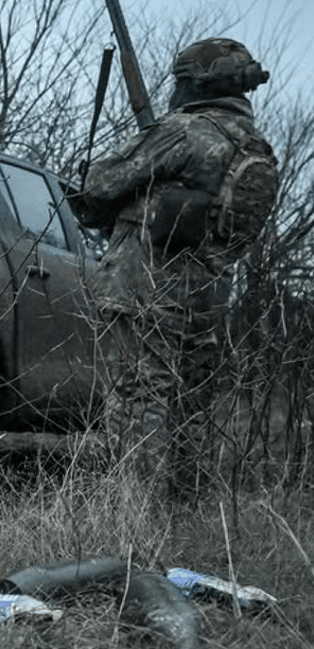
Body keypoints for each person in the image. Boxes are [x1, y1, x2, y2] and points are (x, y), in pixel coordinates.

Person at [75, 37, 278, 499]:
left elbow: (100, 184)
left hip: (146, 289)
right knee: (190, 406)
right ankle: (185, 510)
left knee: (136, 397)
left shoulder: (185, 131)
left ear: (194, 85)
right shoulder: (255, 146)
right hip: (207, 296)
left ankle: (135, 516)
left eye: (179, 81)